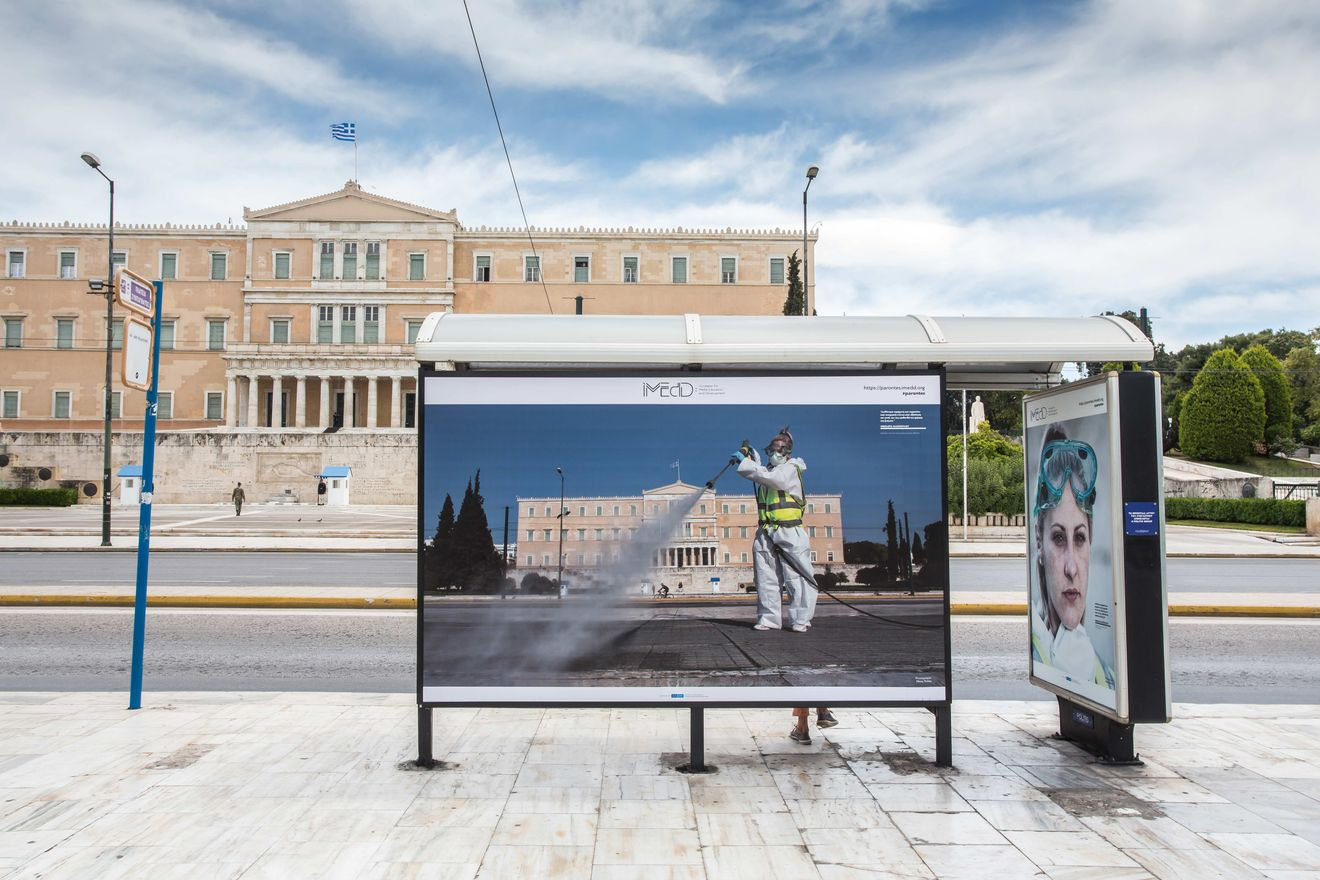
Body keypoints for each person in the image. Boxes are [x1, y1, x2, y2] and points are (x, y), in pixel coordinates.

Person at [1029, 425, 1115, 688]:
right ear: (1039, 542)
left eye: (1079, 538)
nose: (1071, 568)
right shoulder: (1037, 647)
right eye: (1057, 538)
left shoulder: (1108, 678)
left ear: (1091, 539)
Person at [734, 427, 816, 632]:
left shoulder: (791, 469)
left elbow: (774, 478)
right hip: (766, 532)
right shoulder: (771, 471)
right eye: (769, 451)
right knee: (765, 578)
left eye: (775, 451)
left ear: (786, 452)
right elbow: (766, 474)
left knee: (796, 578)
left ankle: (800, 619)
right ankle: (768, 619)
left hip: (790, 532)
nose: (772, 455)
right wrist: (754, 460)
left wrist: (747, 464)